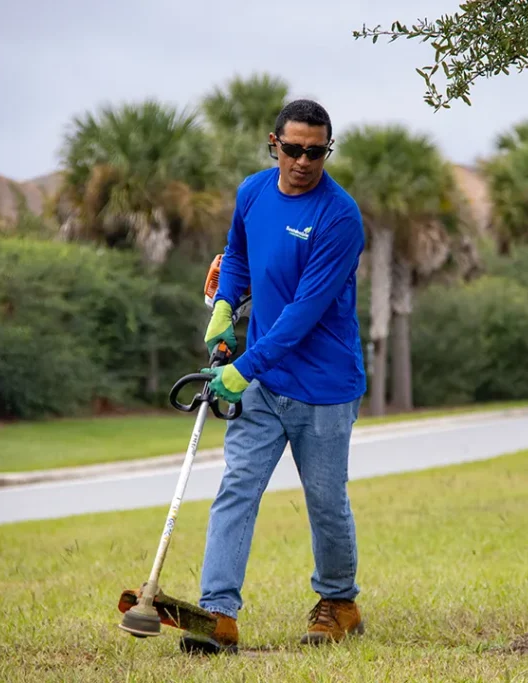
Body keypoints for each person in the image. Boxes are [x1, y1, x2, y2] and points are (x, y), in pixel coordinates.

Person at [182, 99, 367, 655]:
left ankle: (339, 602)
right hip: (262, 383)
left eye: (316, 151)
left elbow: (302, 314)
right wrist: (224, 307)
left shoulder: (340, 217)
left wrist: (242, 368)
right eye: (294, 149)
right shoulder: (254, 192)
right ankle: (217, 614)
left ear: (326, 150)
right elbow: (236, 254)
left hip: (325, 389)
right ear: (274, 143)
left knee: (325, 500)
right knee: (237, 487)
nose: (304, 161)